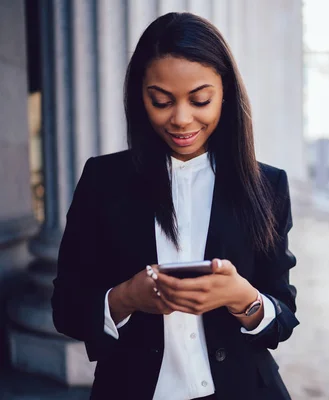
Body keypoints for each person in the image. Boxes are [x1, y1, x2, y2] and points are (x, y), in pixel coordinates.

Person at [51, 12, 299, 400]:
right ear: (140, 97)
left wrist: (241, 297)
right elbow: (66, 307)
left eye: (200, 100)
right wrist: (126, 297)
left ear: (226, 93)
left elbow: (282, 315)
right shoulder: (103, 180)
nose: (181, 120)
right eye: (161, 101)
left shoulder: (268, 186)